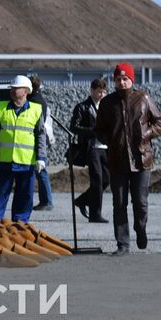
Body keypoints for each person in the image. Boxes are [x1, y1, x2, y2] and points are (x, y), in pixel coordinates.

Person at [95, 62, 161, 256]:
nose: (122, 82)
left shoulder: (143, 98)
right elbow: (99, 129)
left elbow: (160, 122)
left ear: (131, 80)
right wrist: (111, 139)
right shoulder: (107, 103)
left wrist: (147, 133)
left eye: (125, 79)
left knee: (141, 202)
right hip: (117, 160)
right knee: (119, 203)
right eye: (118, 79)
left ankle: (140, 228)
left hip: (141, 159)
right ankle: (123, 244)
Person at [0, 75, 48, 223]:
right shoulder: (0, 108)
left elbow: (40, 135)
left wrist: (41, 157)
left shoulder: (36, 109)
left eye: (16, 88)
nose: (13, 91)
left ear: (26, 91)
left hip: (26, 162)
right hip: (5, 161)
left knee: (24, 196)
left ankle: (20, 224)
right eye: (12, 88)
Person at [70, 78, 111, 223]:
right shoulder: (82, 107)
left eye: (104, 92)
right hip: (91, 147)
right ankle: (95, 214)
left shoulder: (107, 107)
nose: (102, 94)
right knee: (97, 179)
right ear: (92, 90)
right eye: (99, 91)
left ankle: (82, 200)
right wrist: (93, 131)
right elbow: (73, 127)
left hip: (105, 148)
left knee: (106, 179)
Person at [29, 75, 55, 211]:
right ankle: (46, 201)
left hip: (37, 139)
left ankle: (47, 201)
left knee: (41, 171)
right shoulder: (39, 99)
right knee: (40, 171)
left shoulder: (34, 101)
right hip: (41, 138)